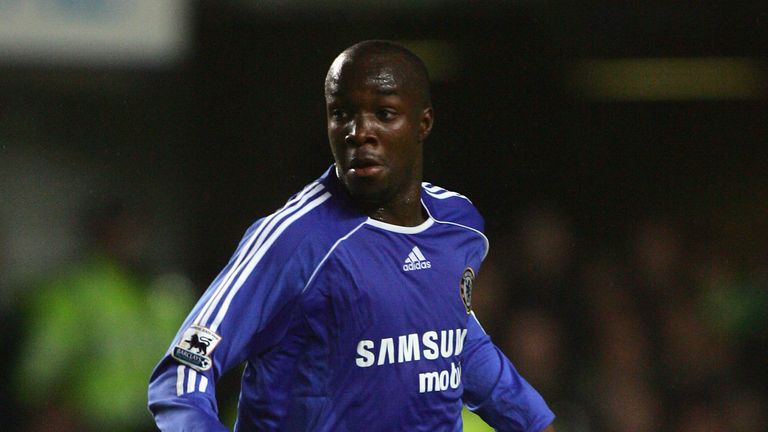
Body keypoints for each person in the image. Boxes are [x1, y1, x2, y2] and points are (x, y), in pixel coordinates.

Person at [148, 40, 555, 432]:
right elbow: (182, 373)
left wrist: (532, 421)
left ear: (423, 123)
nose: (359, 132)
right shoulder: (294, 239)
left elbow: (453, 339)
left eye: (384, 113)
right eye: (341, 113)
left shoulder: (457, 225)